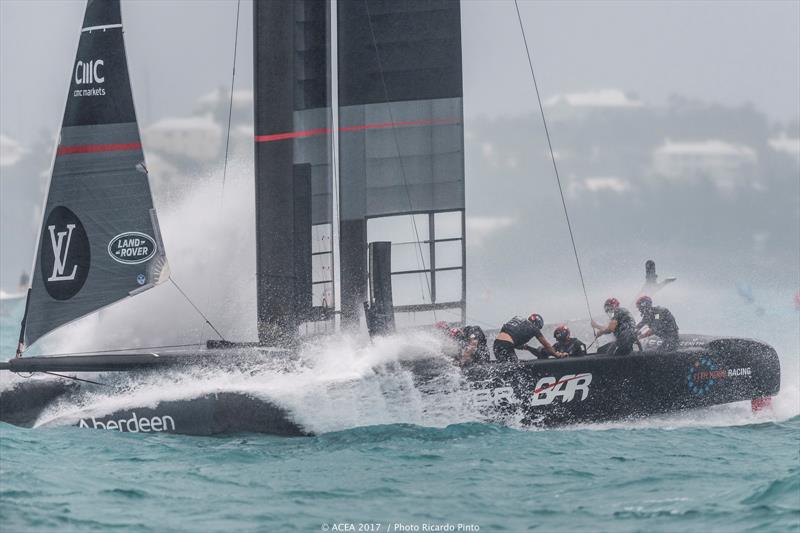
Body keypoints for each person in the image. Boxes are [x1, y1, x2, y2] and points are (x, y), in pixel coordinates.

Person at [493, 314, 568, 362]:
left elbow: (510, 335)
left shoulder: (518, 319)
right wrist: (557, 355)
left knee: (505, 368)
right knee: (515, 369)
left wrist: (526, 347)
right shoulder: (533, 328)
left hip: (496, 345)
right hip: (506, 345)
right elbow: (546, 345)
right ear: (537, 324)